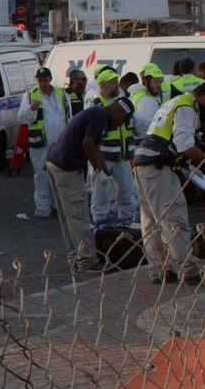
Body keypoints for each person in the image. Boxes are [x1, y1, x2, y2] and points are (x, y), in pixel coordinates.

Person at [45, 99, 134, 274]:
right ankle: (87, 260)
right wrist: (97, 168)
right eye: (121, 121)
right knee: (79, 215)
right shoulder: (99, 115)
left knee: (67, 217)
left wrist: (106, 174)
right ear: (119, 112)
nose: (118, 126)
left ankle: (75, 257)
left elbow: (96, 148)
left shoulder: (97, 114)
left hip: (55, 163)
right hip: (67, 168)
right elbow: (87, 143)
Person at [131, 84, 205, 285]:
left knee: (152, 222)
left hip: (143, 164)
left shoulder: (175, 102)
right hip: (158, 167)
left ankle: (160, 270)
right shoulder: (187, 107)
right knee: (174, 219)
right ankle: (188, 271)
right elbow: (185, 144)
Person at [86, 67, 139, 228]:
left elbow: (134, 125)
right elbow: (89, 133)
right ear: (102, 86)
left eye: (117, 82)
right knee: (100, 191)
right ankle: (99, 219)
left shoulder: (124, 102)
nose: (116, 86)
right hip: (103, 156)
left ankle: (126, 219)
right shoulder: (95, 105)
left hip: (122, 155)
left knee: (126, 190)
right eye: (112, 83)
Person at [17, 67, 71, 218]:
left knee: (59, 173)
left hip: (60, 140)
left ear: (50, 79)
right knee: (41, 174)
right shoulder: (30, 95)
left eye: (45, 80)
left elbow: (68, 115)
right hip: (40, 142)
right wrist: (30, 109)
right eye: (40, 80)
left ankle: (57, 205)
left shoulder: (61, 94)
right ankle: (42, 207)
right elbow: (21, 118)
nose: (42, 83)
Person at [130, 63, 166, 140]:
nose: (159, 85)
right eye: (156, 82)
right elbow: (147, 125)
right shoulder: (145, 100)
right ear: (146, 81)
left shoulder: (142, 94)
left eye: (160, 82)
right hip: (144, 141)